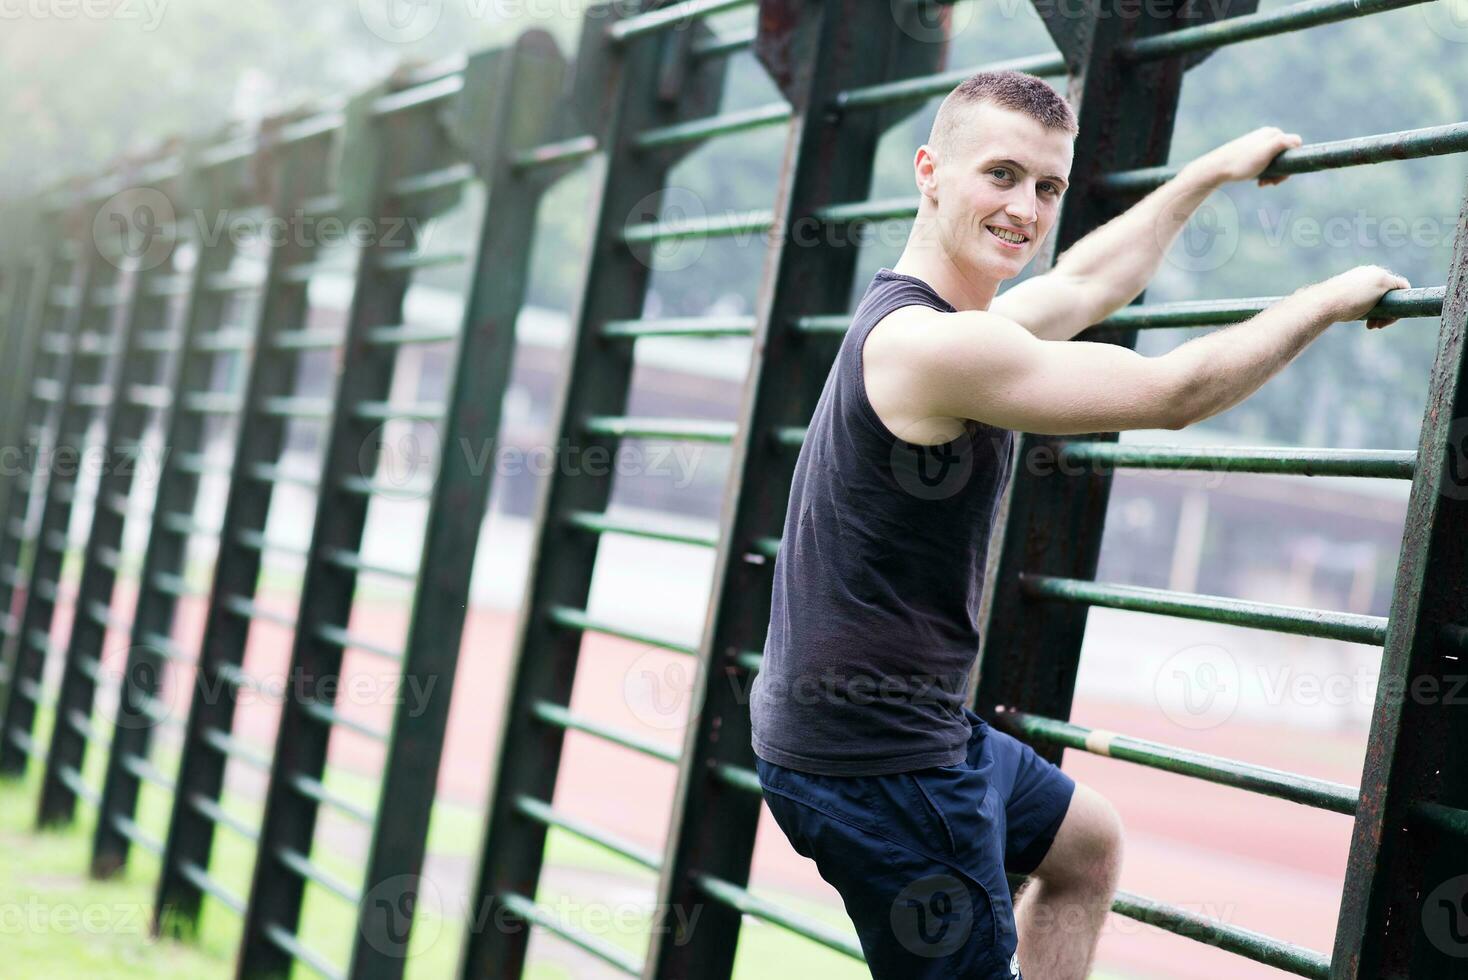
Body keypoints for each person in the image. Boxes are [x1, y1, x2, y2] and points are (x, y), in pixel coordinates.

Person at [748, 69, 1409, 980]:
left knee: (1087, 846)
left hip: (895, 728)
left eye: (1048, 187)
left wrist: (1205, 175)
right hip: (881, 762)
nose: (1026, 207)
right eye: (1002, 176)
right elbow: (1174, 394)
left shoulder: (944, 320)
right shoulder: (938, 348)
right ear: (929, 170)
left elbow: (1089, 280)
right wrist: (1331, 297)